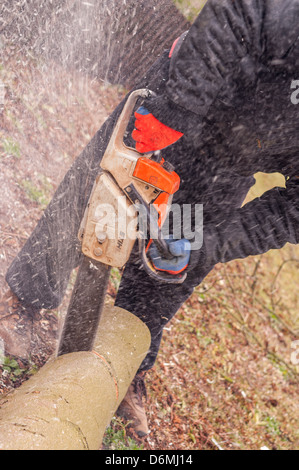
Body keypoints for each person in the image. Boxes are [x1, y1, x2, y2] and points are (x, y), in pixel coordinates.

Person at [1, 0, 299, 437]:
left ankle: (124, 363)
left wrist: (211, 244)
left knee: (171, 263)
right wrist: (175, 110)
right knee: (97, 199)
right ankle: (23, 301)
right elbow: (241, 9)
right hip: (184, 99)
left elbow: (291, 212)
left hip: (229, 164)